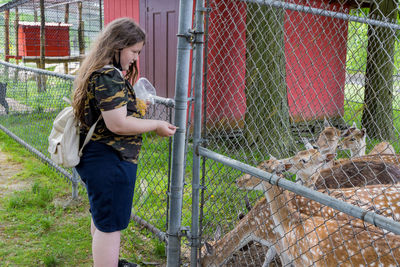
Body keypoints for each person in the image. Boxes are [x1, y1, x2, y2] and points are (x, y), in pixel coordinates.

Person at [72, 17, 176, 267]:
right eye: (134, 51)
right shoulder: (108, 75)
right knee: (110, 225)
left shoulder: (102, 73)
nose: (135, 58)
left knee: (102, 219)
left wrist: (136, 108)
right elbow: (117, 124)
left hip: (99, 158)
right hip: (110, 159)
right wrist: (156, 125)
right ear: (118, 45)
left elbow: (111, 115)